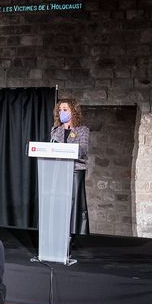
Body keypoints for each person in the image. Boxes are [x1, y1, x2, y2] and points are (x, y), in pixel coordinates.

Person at [49, 98, 90, 235]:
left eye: (65, 110)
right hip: (58, 171)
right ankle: (57, 233)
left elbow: (82, 151)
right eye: (60, 110)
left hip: (75, 172)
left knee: (75, 205)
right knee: (59, 203)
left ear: (73, 111)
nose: (62, 112)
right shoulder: (55, 130)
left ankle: (75, 234)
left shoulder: (82, 130)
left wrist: (64, 149)